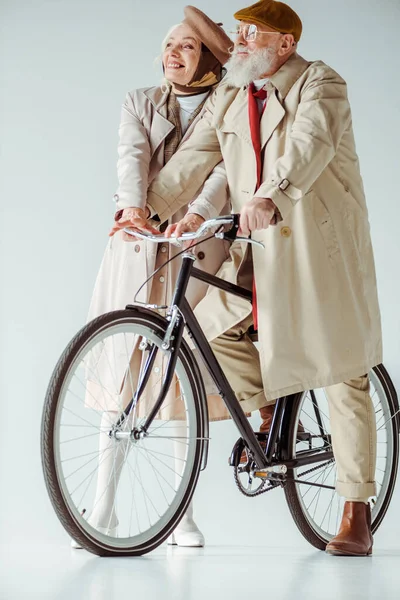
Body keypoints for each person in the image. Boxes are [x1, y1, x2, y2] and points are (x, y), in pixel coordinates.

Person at [130, 1, 383, 557]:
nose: (239, 42)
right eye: (239, 33)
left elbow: (309, 145)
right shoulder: (234, 89)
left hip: (318, 254)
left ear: (285, 45)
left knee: (342, 371)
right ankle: (273, 416)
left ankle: (355, 509)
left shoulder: (320, 83)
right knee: (208, 334)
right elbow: (194, 159)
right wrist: (142, 209)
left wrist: (271, 194)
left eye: (252, 35)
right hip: (257, 253)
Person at [72, 7, 233, 550]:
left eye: (187, 46)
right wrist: (133, 209)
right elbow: (130, 158)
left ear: (210, 58)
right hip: (140, 246)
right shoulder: (139, 101)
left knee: (186, 379)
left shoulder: (231, 107)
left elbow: (225, 172)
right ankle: (106, 509)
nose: (173, 52)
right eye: (169, 43)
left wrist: (199, 215)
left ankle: (180, 514)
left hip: (197, 249)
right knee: (122, 374)